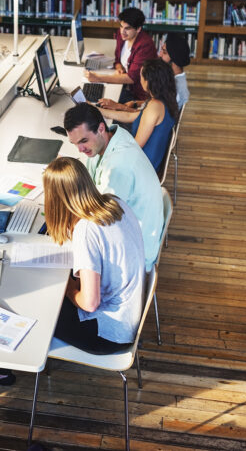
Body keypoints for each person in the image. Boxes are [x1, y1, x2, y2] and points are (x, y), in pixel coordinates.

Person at [44, 156, 146, 354]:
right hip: (129, 315)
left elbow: (90, 303)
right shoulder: (114, 203)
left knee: (42, 303)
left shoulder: (86, 230)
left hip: (108, 334)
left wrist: (69, 290)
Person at [63, 103, 164, 272]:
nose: (80, 149)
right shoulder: (112, 138)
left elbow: (101, 221)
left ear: (101, 128)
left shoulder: (118, 168)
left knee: (67, 259)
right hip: (128, 229)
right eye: (75, 144)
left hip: (135, 254)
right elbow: (90, 179)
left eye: (83, 141)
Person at [98, 59, 179, 170]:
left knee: (97, 152)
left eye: (141, 75)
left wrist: (110, 148)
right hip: (149, 160)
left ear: (149, 81)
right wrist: (98, 110)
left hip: (142, 166)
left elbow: (136, 146)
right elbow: (129, 116)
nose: (139, 77)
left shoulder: (154, 106)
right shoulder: (164, 99)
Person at [85, 7, 158, 102]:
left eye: (127, 28)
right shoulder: (122, 36)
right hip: (125, 85)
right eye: (121, 26)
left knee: (100, 101)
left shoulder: (145, 46)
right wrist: (119, 67)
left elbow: (131, 78)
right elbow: (118, 60)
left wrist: (98, 78)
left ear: (138, 29)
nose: (122, 31)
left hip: (139, 96)